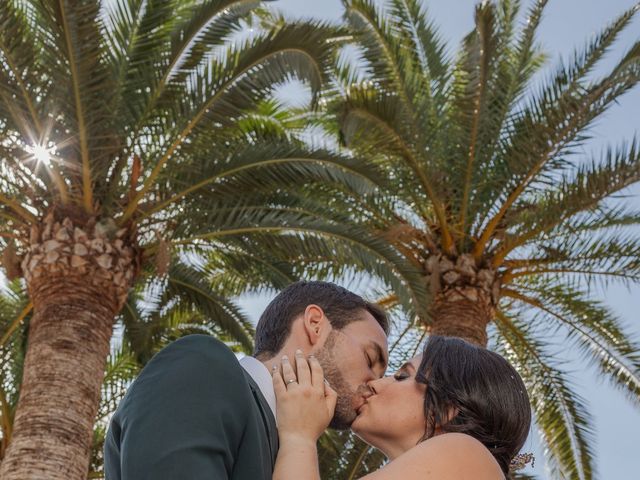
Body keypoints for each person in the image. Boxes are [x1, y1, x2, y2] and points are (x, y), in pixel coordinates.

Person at [104, 281, 389, 480]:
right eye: (370, 358)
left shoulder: (293, 455)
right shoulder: (203, 365)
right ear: (315, 324)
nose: (376, 383)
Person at [272, 335, 533, 480]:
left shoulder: (465, 453)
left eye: (402, 376)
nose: (375, 384)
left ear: (444, 408)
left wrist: (299, 437)